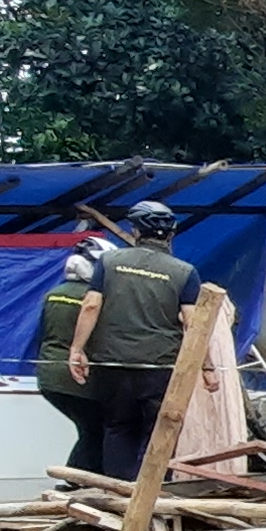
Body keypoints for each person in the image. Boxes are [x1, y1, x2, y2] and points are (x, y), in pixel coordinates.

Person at [66, 203, 206, 479]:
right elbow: (193, 323)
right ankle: (151, 497)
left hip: (111, 363)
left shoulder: (109, 262)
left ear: (136, 230)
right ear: (171, 234)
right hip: (159, 366)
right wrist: (207, 366)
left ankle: (117, 496)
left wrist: (77, 349)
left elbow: (91, 306)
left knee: (118, 428)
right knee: (159, 431)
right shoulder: (185, 272)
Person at [31, 243, 108, 474]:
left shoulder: (52, 294)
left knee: (89, 428)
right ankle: (76, 479)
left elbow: (43, 332)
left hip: (48, 375)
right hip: (77, 375)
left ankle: (77, 479)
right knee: (99, 429)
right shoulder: (94, 299)